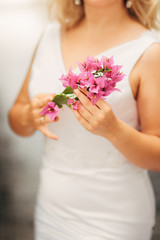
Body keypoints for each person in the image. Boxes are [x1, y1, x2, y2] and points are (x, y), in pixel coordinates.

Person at [8, 0, 160, 239]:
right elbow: (16, 119)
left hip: (115, 219)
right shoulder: (50, 35)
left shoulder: (150, 52)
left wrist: (114, 130)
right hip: (51, 211)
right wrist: (28, 117)